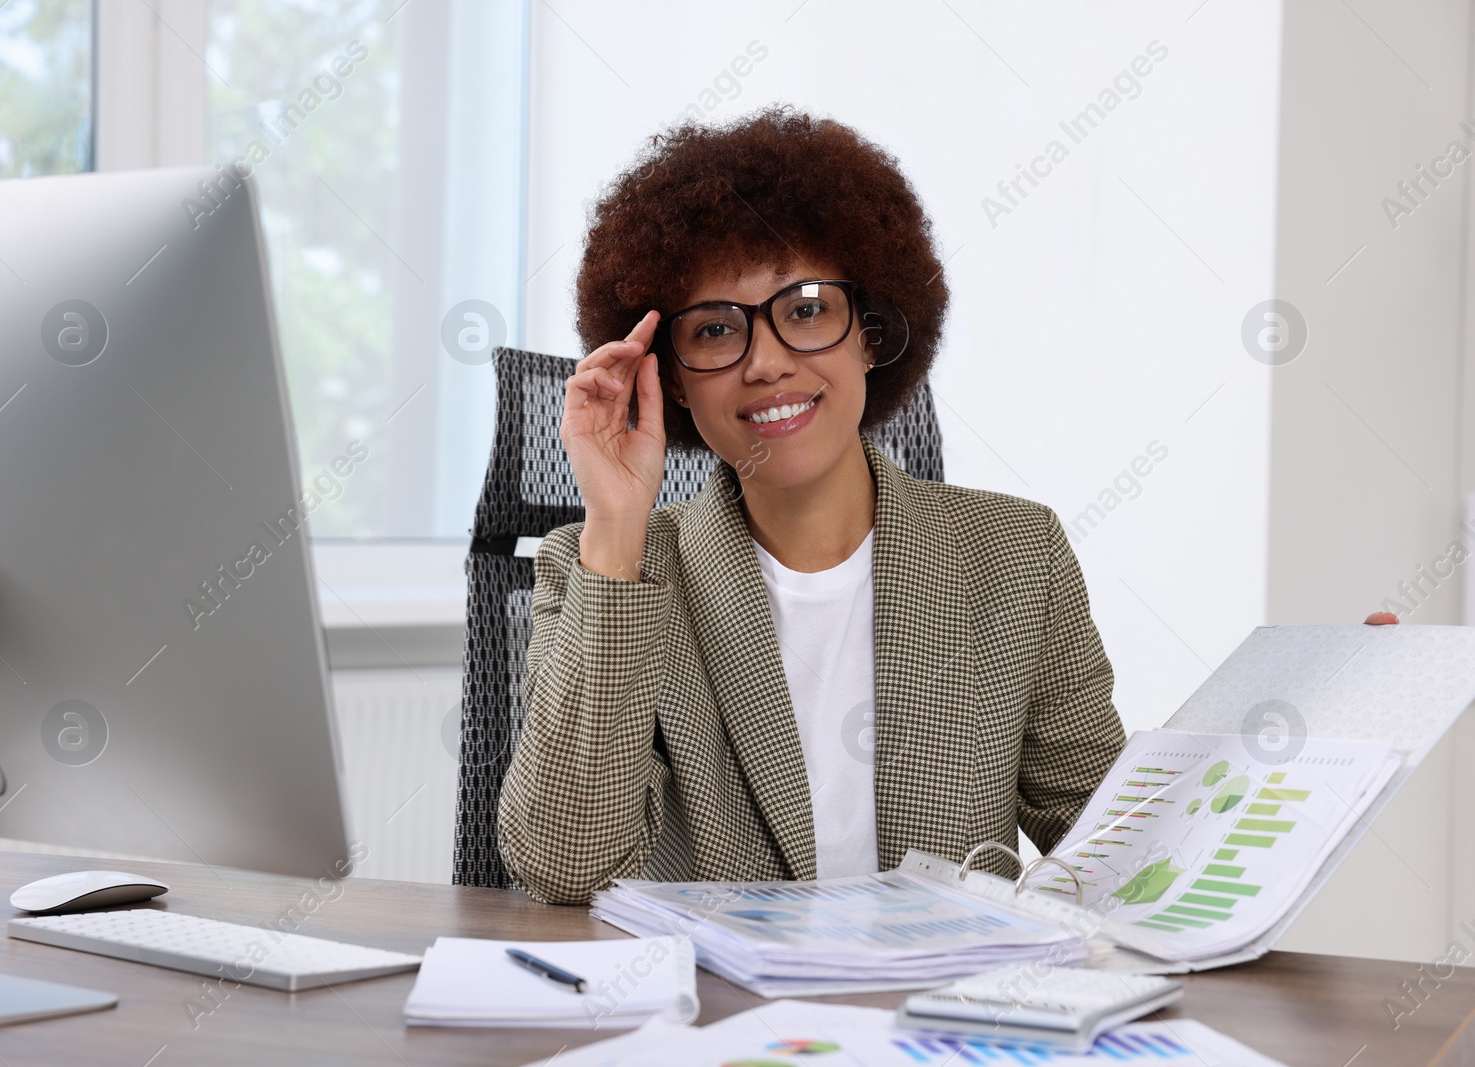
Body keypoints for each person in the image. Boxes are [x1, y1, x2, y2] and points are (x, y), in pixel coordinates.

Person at [495, 107, 1385, 907]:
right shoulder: (601, 566)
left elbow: (1117, 855)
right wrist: (615, 524)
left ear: (872, 332)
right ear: (671, 378)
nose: (765, 360)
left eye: (806, 309)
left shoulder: (1014, 555)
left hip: (944, 1025)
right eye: (717, 329)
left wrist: (1313, 740)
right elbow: (565, 865)